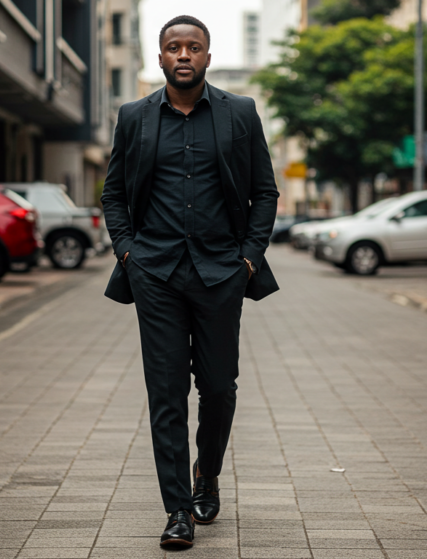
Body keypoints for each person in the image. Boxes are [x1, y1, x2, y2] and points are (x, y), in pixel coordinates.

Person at [100, 15, 279, 549]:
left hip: (221, 272)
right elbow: (112, 194)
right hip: (154, 273)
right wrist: (128, 252)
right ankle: (177, 508)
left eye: (193, 47)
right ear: (159, 58)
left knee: (220, 388)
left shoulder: (239, 113)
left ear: (207, 56)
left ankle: (207, 474)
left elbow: (264, 192)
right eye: (173, 47)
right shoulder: (134, 116)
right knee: (167, 394)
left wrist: (248, 258)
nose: (184, 55)